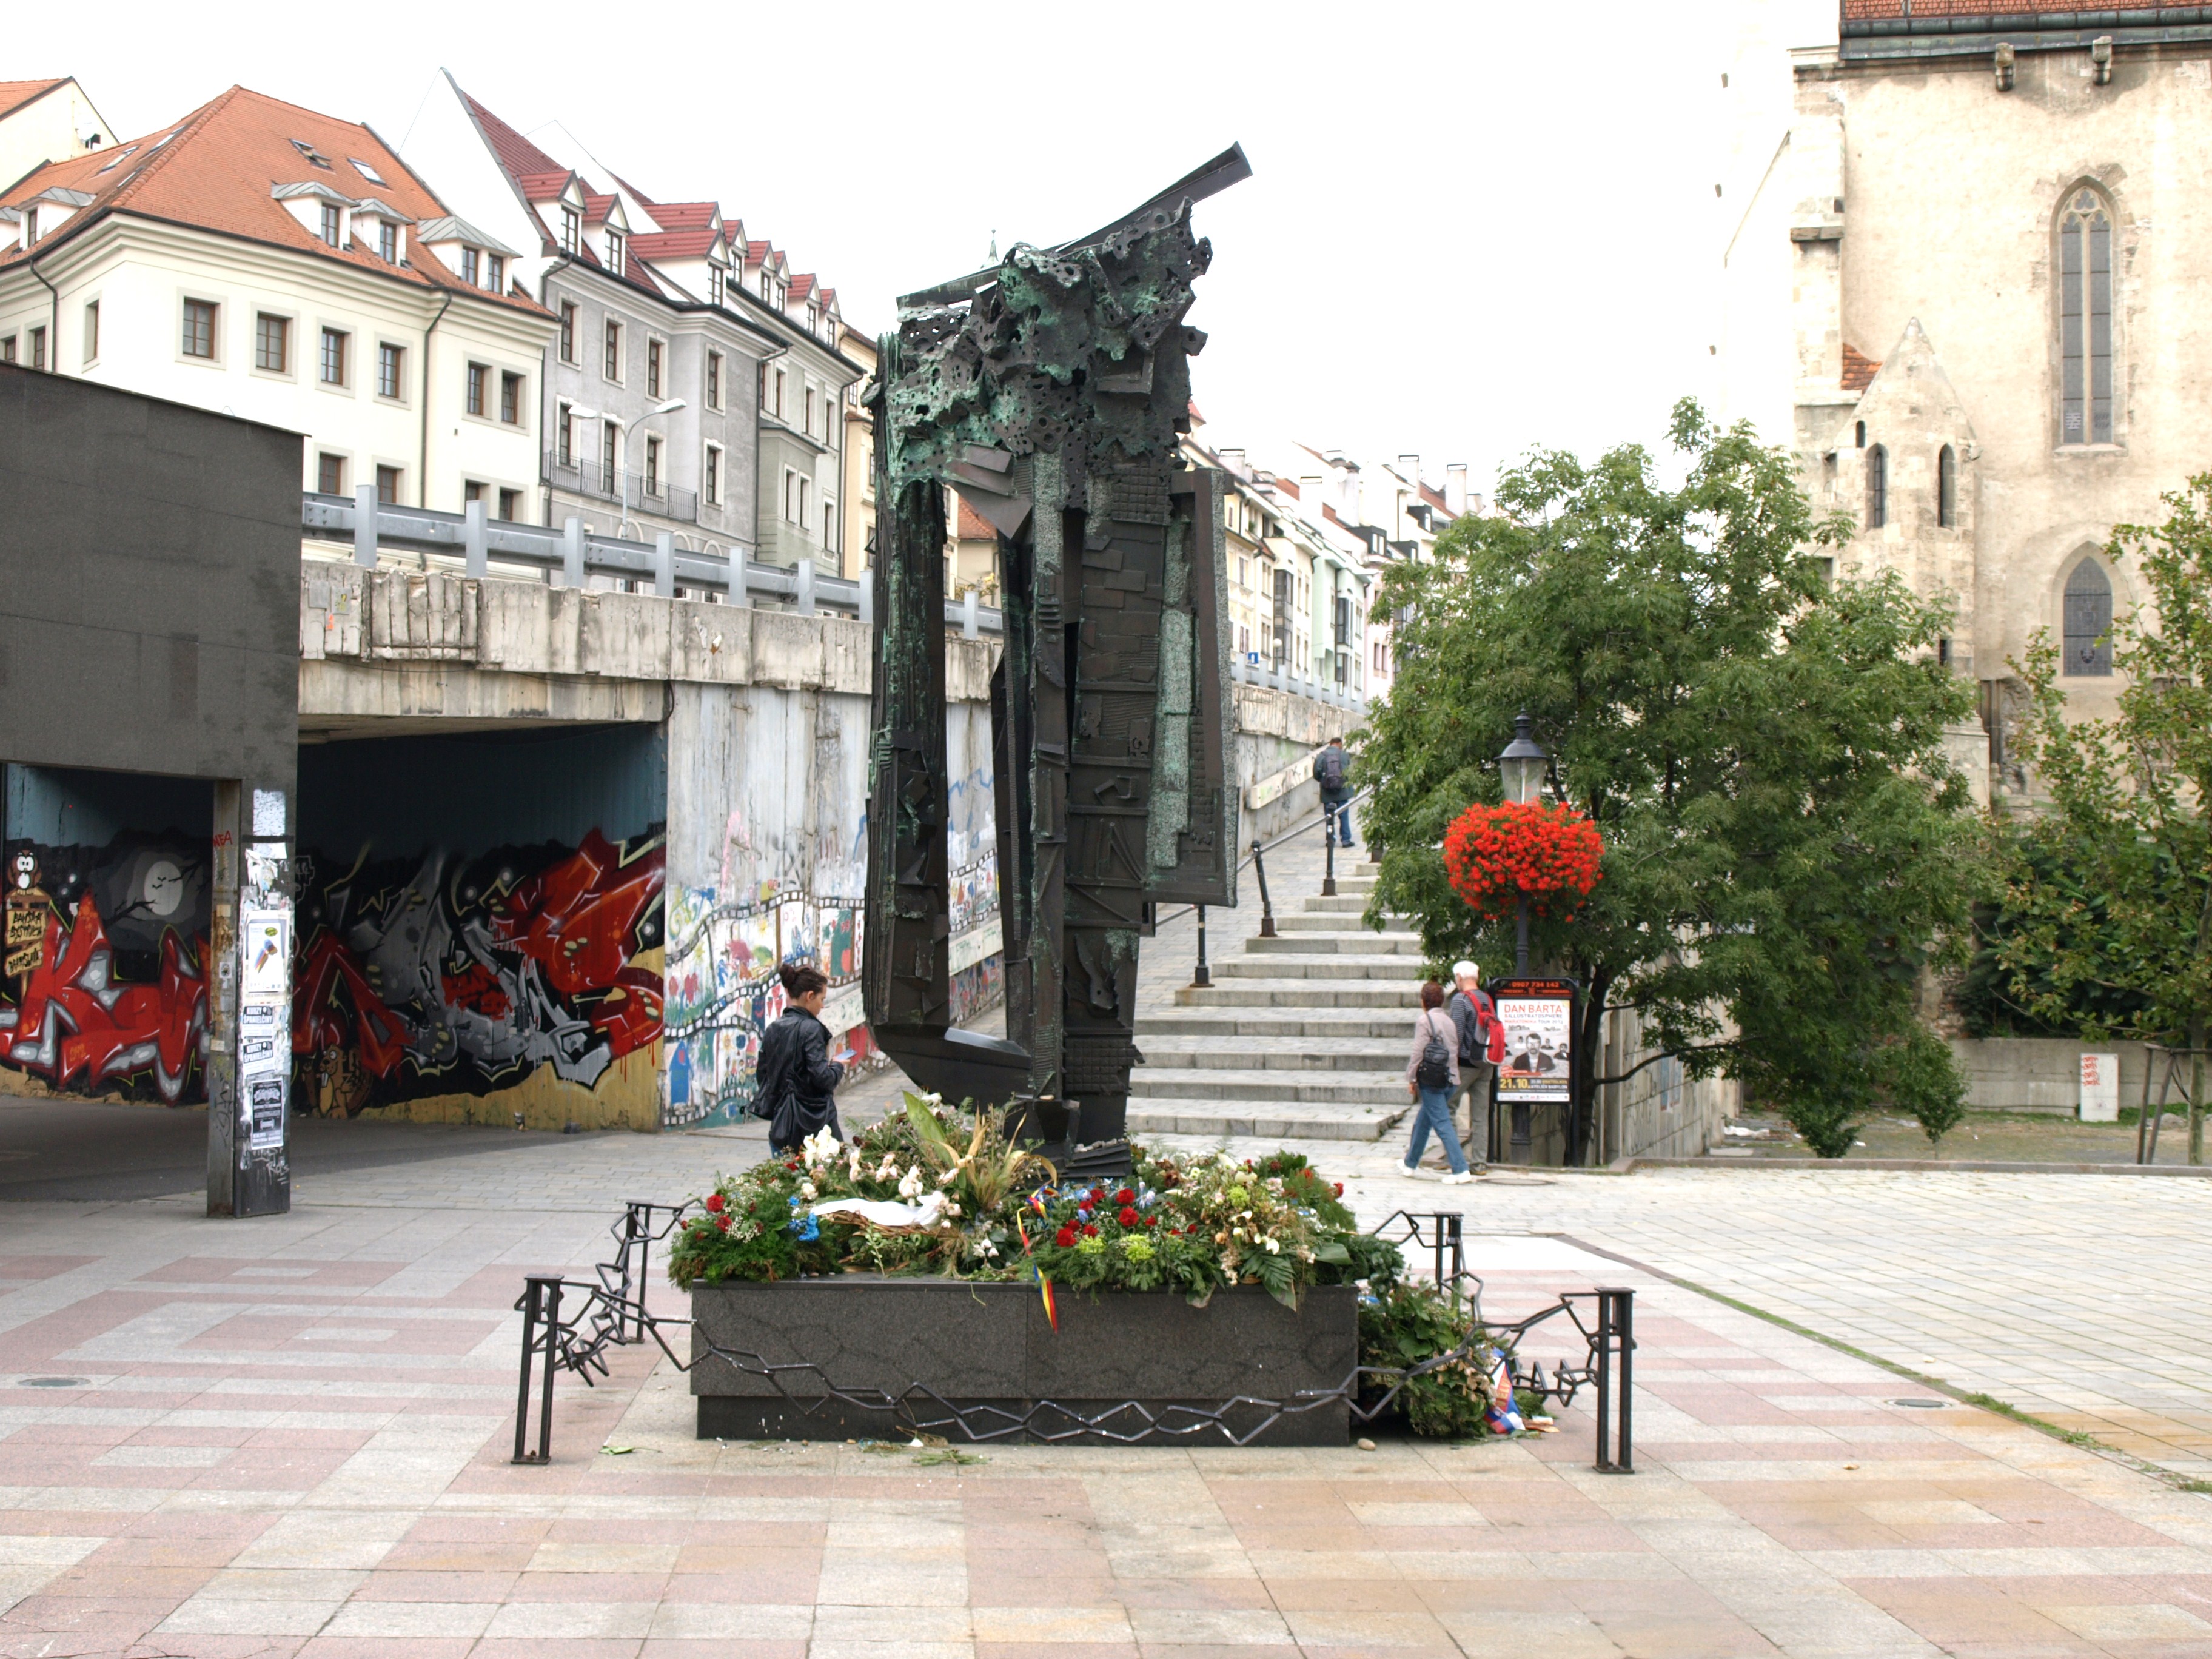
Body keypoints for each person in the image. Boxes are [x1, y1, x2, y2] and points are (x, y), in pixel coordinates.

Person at [752, 961, 846, 1153]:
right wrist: (837, 1066)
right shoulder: (811, 1029)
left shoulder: (773, 1028)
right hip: (815, 1131)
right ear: (810, 996)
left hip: (781, 1129)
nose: (822, 1005)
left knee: (784, 1181)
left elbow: (763, 1076)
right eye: (822, 999)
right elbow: (823, 1079)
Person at [1401, 980, 1472, 1184]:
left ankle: (1460, 1169)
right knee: (1424, 1121)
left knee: (1442, 1124)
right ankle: (1410, 1164)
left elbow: (1418, 1052)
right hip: (1451, 1078)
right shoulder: (1449, 1021)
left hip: (1432, 1080)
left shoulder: (1425, 1021)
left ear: (1424, 1001)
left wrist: (1412, 1078)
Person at [1447, 960, 1503, 1170]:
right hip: (1486, 1063)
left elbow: (1456, 1035)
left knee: (1448, 1107)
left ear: (1460, 978)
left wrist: (1450, 1064)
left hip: (1465, 1064)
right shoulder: (1486, 998)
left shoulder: (1461, 1000)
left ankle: (1456, 1160)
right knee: (1480, 1116)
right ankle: (1479, 1163)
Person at [1313, 736, 1355, 848]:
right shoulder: (1344, 755)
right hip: (1343, 791)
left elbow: (1316, 773)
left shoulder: (1322, 756)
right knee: (1344, 816)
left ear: (1331, 744)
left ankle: (1331, 840)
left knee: (1329, 817)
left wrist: (1324, 782)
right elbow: (1348, 773)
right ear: (1340, 744)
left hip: (1327, 792)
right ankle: (1346, 840)